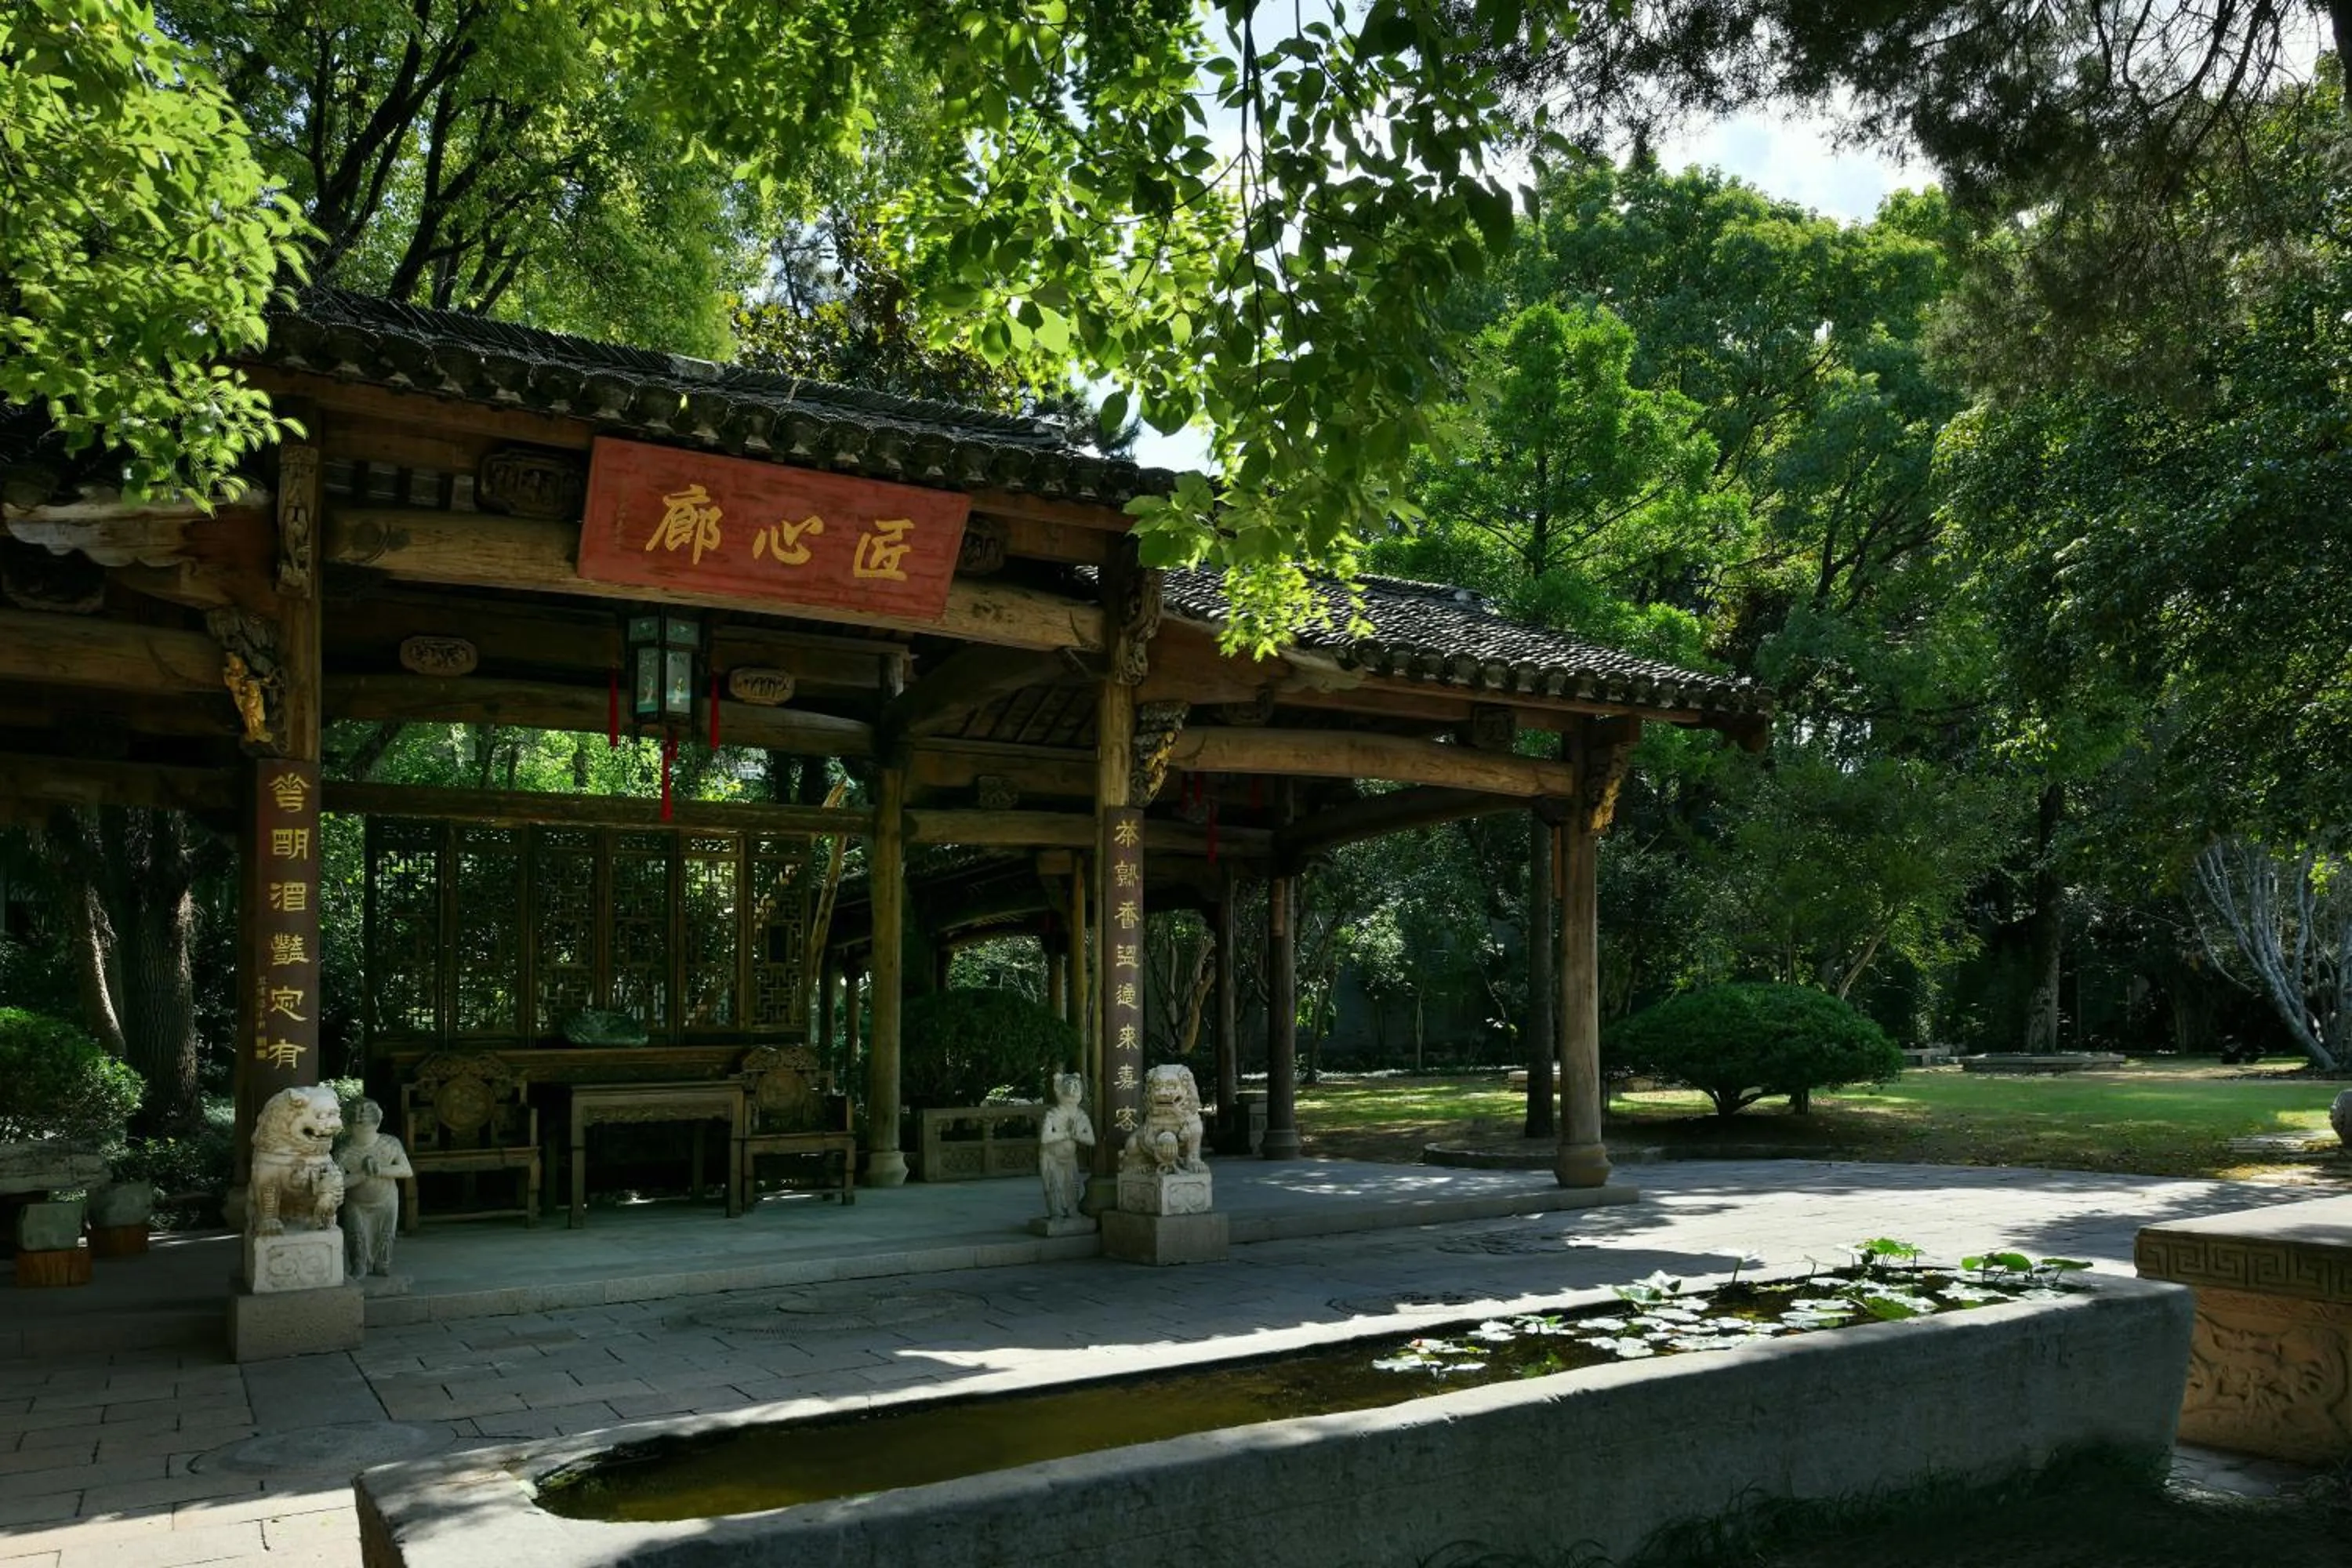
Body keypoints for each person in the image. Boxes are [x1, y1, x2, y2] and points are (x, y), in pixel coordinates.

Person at [335, 1098, 415, 1276]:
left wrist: (380, 1170)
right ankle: (359, 1265)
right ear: (349, 1126)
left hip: (386, 1198)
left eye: (367, 1124)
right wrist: (363, 1174)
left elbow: (406, 1170)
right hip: (356, 1202)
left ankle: (382, 1263)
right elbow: (338, 1183)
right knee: (356, 1236)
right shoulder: (344, 1150)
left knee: (386, 1234)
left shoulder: (390, 1143)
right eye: (358, 1124)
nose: (363, 1128)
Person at [1037, 1071, 1094, 1221]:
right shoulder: (1052, 1114)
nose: (1073, 1088)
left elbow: (1091, 1140)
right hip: (1051, 1156)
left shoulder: (1081, 1115)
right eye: (1069, 1085)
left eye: (1076, 1085)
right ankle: (1056, 1212)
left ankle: (1072, 1210)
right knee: (1054, 1185)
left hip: (1069, 1157)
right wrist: (1067, 1135)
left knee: (1072, 1185)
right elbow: (1045, 1138)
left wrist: (1077, 1135)